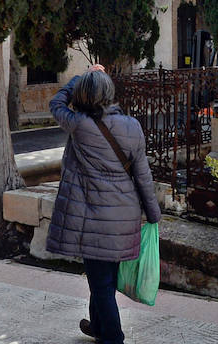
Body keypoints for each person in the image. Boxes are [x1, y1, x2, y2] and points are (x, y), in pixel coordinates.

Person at [46, 65, 161, 344]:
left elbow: (56, 102)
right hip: (124, 216)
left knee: (101, 285)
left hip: (93, 219)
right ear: (110, 94)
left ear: (83, 95)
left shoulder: (78, 124)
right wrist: (153, 213)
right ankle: (98, 326)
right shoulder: (132, 126)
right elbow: (142, 175)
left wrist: (82, 77)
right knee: (102, 281)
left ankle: (113, 337)